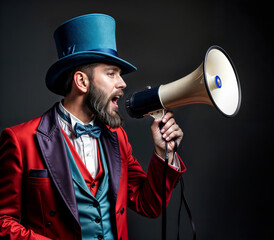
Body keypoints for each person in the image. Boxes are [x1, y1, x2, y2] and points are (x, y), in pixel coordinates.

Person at [0, 13, 186, 240]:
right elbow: (2, 222)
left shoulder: (118, 137)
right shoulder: (20, 140)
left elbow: (148, 205)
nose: (122, 83)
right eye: (111, 74)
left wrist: (162, 154)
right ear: (81, 81)